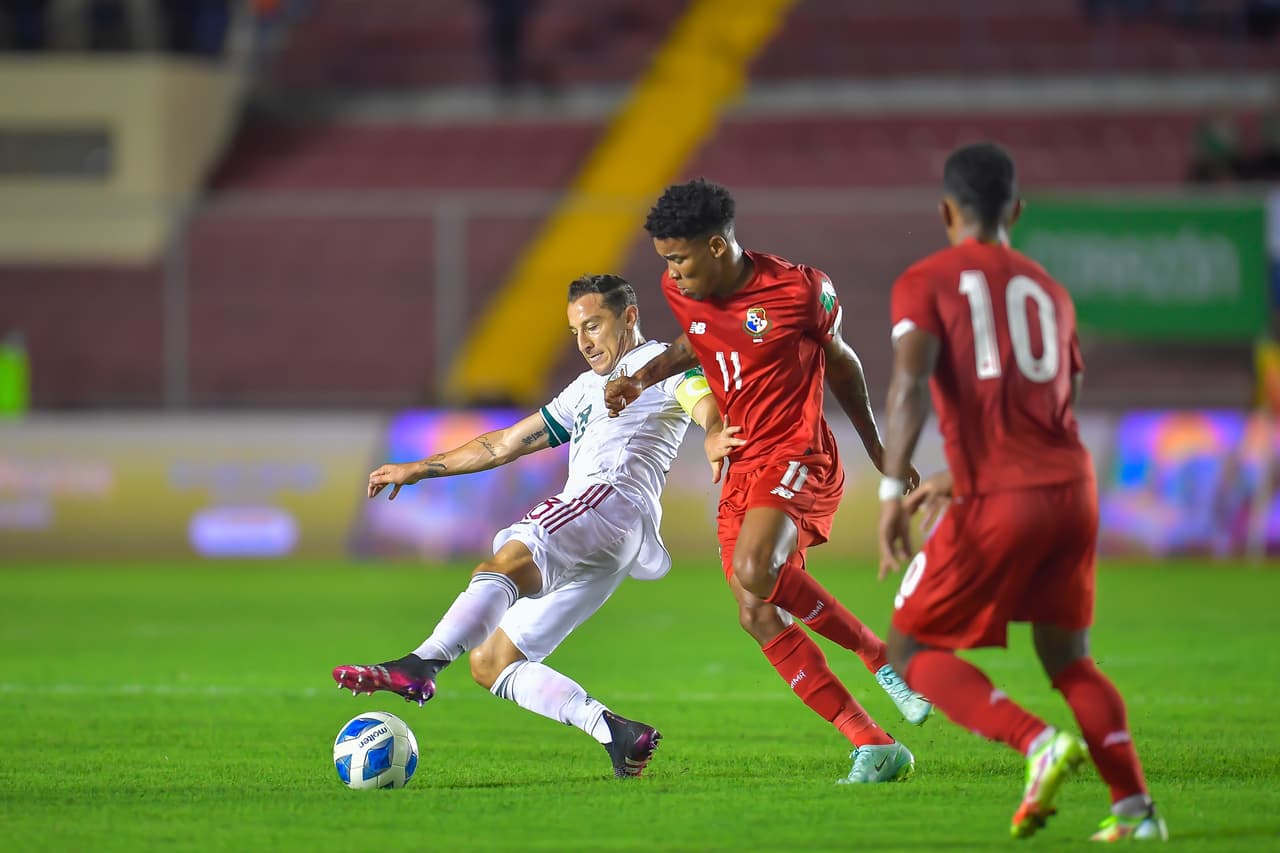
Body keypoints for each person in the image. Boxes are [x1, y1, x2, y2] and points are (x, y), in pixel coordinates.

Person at [333, 273, 740, 779]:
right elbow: (504, 443)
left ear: (629, 317)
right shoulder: (587, 389)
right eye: (575, 331)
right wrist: (420, 467)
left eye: (594, 325)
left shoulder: (656, 365)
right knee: (492, 661)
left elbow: (703, 400)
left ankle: (422, 664)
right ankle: (617, 733)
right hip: (613, 538)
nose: (585, 341)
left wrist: (715, 432)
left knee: (507, 559)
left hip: (606, 501)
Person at [876, 142, 1168, 841]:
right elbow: (1056, 399)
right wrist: (961, 471)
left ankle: (1037, 742)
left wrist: (892, 486)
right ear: (1018, 210)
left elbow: (910, 383)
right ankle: (1137, 811)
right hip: (1072, 488)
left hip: (1002, 498)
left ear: (946, 209)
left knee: (908, 651)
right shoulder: (1051, 289)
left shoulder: (925, 279)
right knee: (1070, 658)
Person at [604, 179, 931, 785]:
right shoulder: (681, 288)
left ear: (718, 245)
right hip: (742, 461)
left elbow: (844, 362)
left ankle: (881, 657)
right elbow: (694, 342)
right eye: (665, 261)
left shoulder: (801, 290)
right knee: (755, 612)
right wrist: (641, 377)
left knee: (756, 569)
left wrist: (880, 448)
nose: (672, 274)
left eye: (680, 258)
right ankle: (873, 744)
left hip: (798, 452)